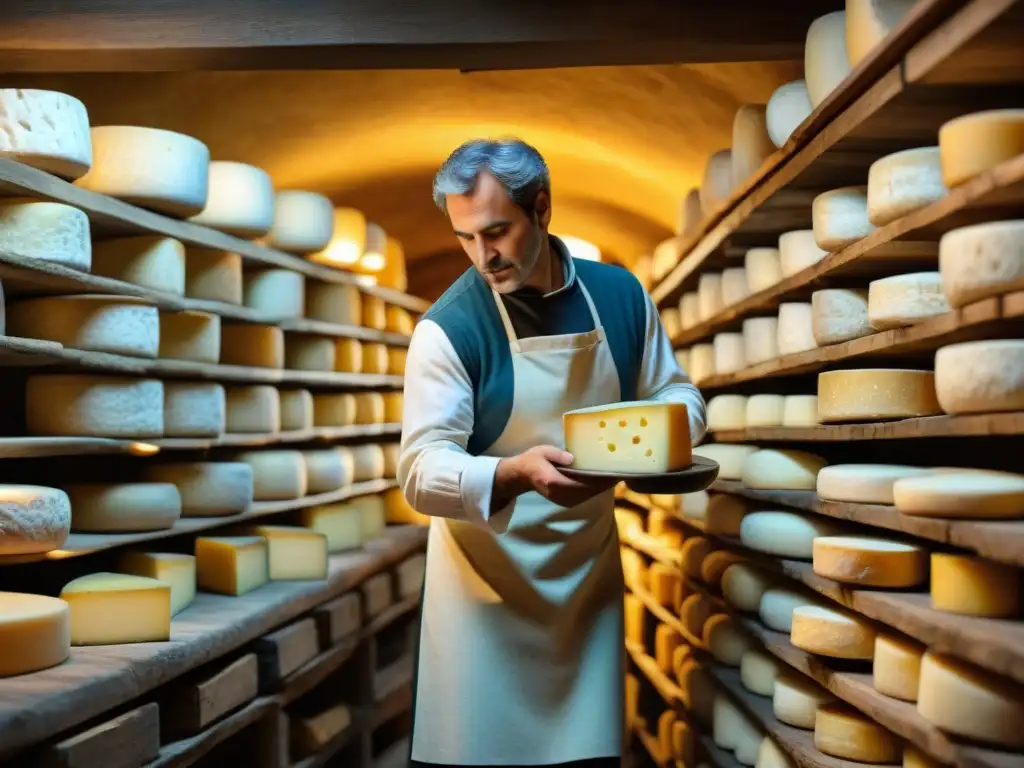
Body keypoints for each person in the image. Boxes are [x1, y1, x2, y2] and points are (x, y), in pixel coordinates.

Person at [398, 138, 707, 767]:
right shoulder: (447, 329)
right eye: (464, 238)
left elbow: (678, 392)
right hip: (483, 597)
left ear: (541, 208)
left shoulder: (621, 297)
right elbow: (420, 470)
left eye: (496, 231)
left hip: (582, 585)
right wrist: (512, 472)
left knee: (585, 756)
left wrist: (659, 439)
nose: (482, 257)